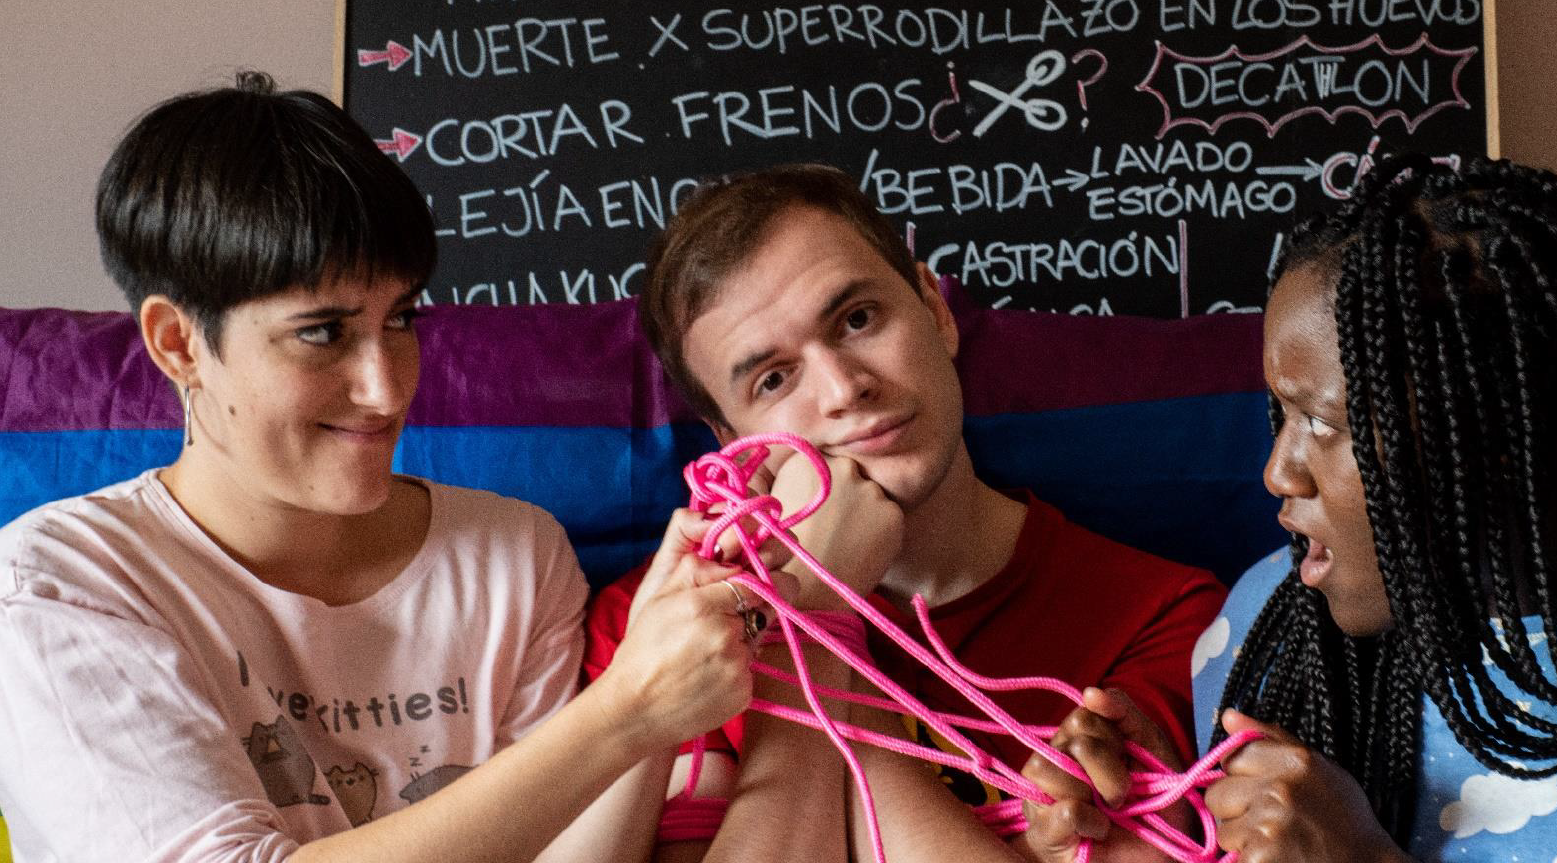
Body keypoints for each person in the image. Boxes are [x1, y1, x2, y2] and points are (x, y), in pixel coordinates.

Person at [0, 72, 767, 862]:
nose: (386, 386)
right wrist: (622, 712)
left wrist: (649, 696)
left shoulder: (515, 554)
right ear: (177, 342)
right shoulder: (59, 582)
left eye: (400, 318)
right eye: (323, 332)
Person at [1022, 155, 1557, 862]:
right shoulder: (1262, 636)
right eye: (1278, 414)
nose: (1277, 472)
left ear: (1495, 440)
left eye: (1320, 422)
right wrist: (1164, 829)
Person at [582, 163, 1227, 860]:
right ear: (734, 443)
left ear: (936, 307)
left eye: (858, 319)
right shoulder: (655, 625)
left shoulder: (1163, 613)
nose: (843, 388)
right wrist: (815, 598)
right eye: (774, 378)